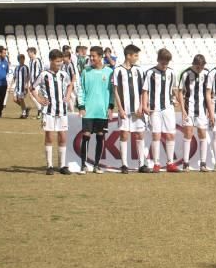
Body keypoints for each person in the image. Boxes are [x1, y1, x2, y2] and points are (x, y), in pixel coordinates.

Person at [32, 49, 74, 175]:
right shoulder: (44, 74)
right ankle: (49, 166)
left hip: (62, 111)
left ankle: (62, 166)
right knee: (49, 136)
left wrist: (67, 96)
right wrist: (39, 99)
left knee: (62, 136)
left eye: (61, 61)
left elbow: (70, 84)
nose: (59, 63)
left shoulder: (63, 74)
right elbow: (32, 87)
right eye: (57, 61)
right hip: (48, 111)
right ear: (51, 60)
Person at [76, 46, 114, 174]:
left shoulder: (109, 72)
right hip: (88, 111)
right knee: (86, 136)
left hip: (102, 112)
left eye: (94, 56)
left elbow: (112, 92)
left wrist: (110, 107)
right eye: (90, 56)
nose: (91, 58)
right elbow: (80, 90)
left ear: (100, 57)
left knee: (100, 136)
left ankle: (97, 165)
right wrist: (81, 107)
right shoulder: (85, 71)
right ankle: (83, 165)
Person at [141, 48, 178, 173]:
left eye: (167, 63)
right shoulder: (150, 73)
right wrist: (144, 105)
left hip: (168, 107)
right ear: (158, 60)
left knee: (171, 134)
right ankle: (156, 163)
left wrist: (176, 99)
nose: (164, 66)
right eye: (163, 63)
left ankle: (170, 163)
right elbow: (145, 90)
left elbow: (174, 89)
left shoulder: (172, 73)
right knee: (156, 134)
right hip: (154, 108)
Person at [112, 44, 145, 174]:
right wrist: (120, 109)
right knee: (124, 134)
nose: (137, 58)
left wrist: (142, 106)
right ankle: (124, 164)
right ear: (128, 56)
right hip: (124, 109)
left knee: (140, 134)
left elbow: (143, 90)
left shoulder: (139, 70)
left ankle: (142, 164)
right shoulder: (117, 70)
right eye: (135, 55)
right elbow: (116, 91)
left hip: (137, 110)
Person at [177, 54, 209, 172]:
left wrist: (209, 111)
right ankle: (186, 163)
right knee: (188, 133)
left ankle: (203, 163)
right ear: (193, 64)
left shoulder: (207, 73)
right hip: (188, 108)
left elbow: (209, 92)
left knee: (202, 133)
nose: (199, 69)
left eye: (201, 67)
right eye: (197, 67)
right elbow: (180, 92)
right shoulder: (185, 73)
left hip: (201, 109)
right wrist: (183, 109)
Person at [27, 47, 43, 119]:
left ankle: (40, 110)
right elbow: (30, 72)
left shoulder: (37, 60)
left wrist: (39, 81)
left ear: (33, 52)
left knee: (33, 96)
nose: (28, 54)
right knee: (32, 96)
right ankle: (40, 109)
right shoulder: (30, 61)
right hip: (32, 82)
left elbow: (41, 70)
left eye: (29, 52)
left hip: (37, 82)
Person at [12, 54, 30, 119]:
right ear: (18, 60)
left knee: (21, 99)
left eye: (23, 59)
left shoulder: (26, 67)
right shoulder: (17, 67)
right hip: (17, 86)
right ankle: (25, 108)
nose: (22, 60)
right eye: (21, 59)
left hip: (22, 87)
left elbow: (28, 77)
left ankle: (24, 113)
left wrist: (27, 85)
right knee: (14, 99)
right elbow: (14, 77)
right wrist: (12, 84)